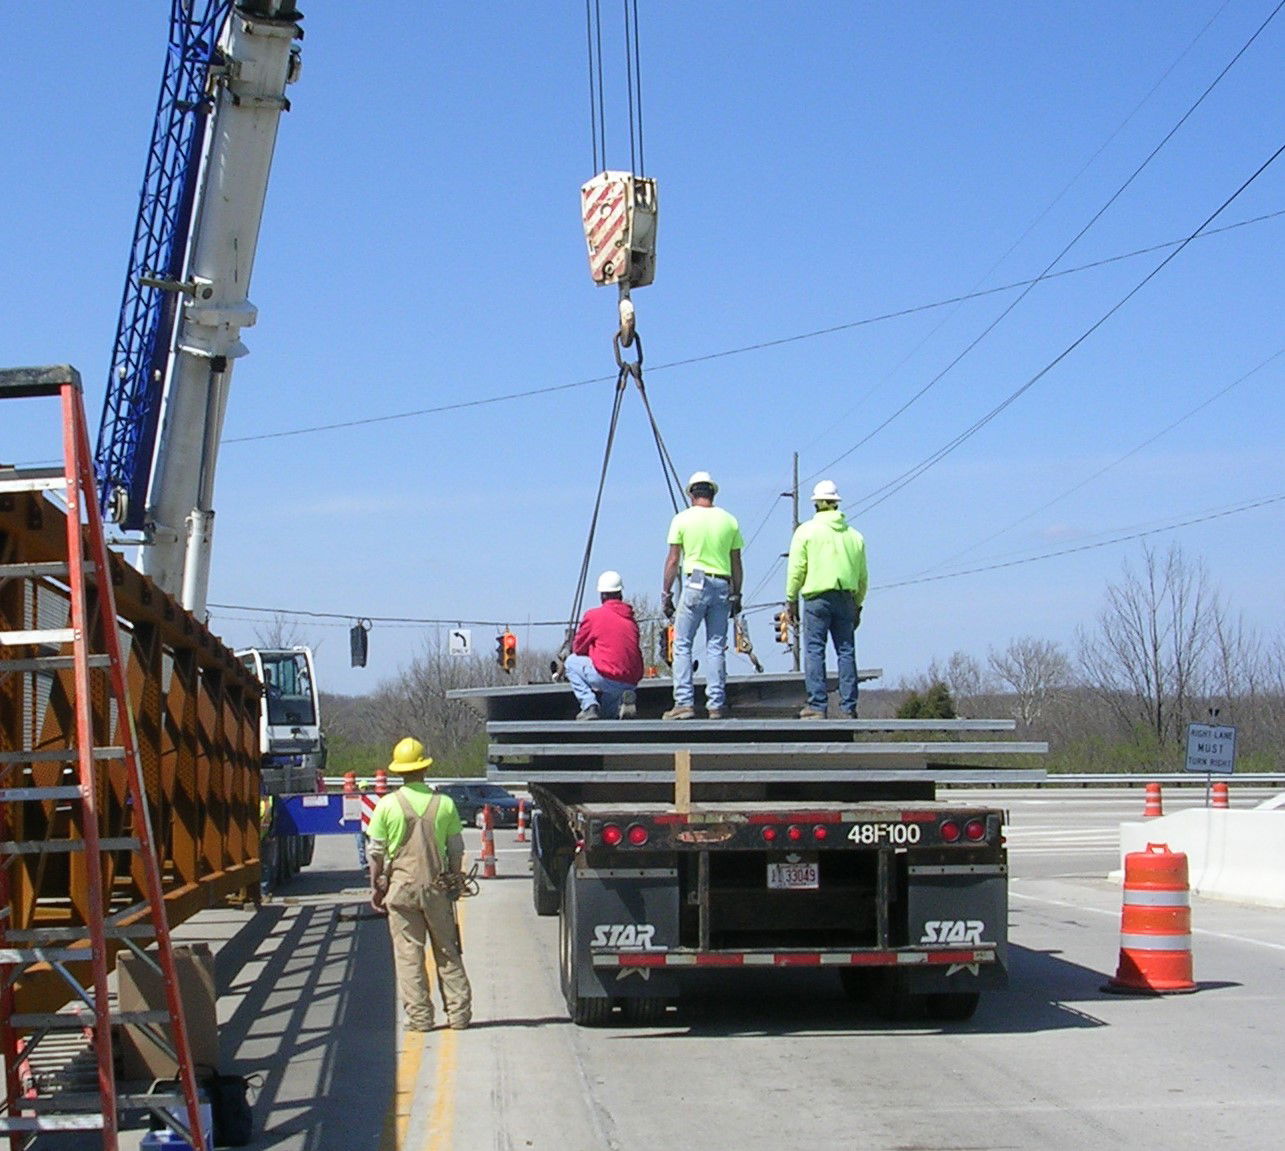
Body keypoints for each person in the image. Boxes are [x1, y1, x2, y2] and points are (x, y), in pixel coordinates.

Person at [367, 737, 472, 1031]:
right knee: (447, 950)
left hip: (400, 889)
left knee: (409, 956)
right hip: (437, 888)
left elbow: (375, 852)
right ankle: (459, 1015)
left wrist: (376, 887)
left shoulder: (387, 805)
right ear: (424, 768)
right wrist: (455, 880)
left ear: (399, 771)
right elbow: (456, 849)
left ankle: (420, 1018)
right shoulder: (445, 804)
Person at [661, 471, 744, 720]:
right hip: (722, 584)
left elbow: (673, 560)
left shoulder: (682, 519)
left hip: (695, 583)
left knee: (682, 644)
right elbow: (736, 562)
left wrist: (666, 593)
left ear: (691, 494)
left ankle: (684, 702)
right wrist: (737, 593)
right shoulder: (729, 521)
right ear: (713, 493)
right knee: (716, 646)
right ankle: (716, 704)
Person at [785, 479, 868, 719]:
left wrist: (791, 599)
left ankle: (817, 705)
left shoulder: (806, 532)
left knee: (814, 650)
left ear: (816, 504)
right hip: (845, 597)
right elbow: (863, 577)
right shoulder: (855, 536)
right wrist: (857, 605)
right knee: (846, 651)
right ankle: (848, 707)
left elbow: (796, 570)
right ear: (836, 503)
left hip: (816, 598)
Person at [565, 570, 645, 719]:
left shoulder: (594, 616)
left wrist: (592, 650)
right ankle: (619, 707)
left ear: (602, 595)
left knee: (571, 662)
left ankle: (589, 705)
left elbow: (578, 648)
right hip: (631, 681)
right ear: (620, 594)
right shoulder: (631, 620)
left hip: (608, 677)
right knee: (608, 712)